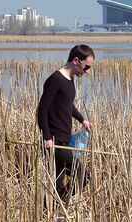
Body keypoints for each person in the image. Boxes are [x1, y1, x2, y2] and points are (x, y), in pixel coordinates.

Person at [37, 44, 95, 206]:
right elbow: (43, 110)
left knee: (58, 183)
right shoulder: (55, 80)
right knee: (83, 175)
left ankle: (52, 208)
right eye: (87, 66)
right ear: (76, 61)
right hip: (54, 143)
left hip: (65, 139)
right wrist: (47, 137)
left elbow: (67, 105)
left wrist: (82, 119)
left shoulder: (69, 80)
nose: (87, 71)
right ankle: (57, 204)